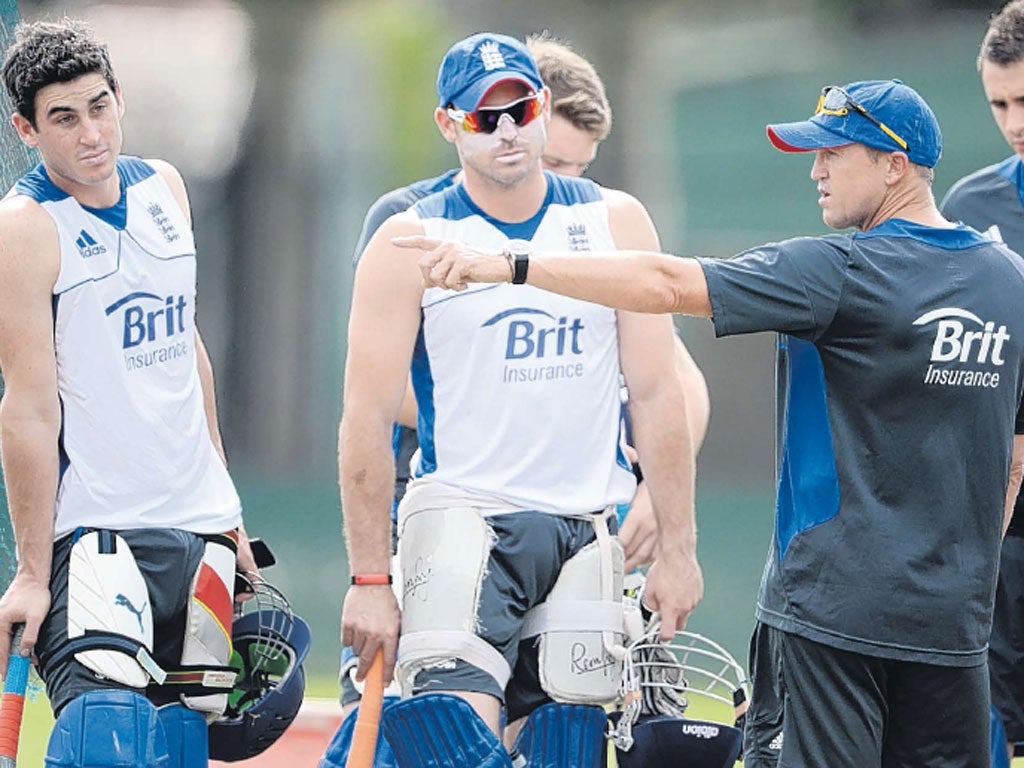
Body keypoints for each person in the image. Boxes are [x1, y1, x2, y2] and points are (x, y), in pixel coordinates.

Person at [408, 78, 1024, 768]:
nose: (815, 170)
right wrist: (958, 577)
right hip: (953, 627)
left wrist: (510, 264)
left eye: (833, 153)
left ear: (893, 164)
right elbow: (1014, 458)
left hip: (830, 621)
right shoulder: (1011, 281)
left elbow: (666, 284)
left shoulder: (844, 270)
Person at [339, 31, 701, 766]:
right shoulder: (409, 239)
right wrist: (371, 581)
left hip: (584, 528)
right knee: (450, 739)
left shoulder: (615, 221)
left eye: (521, 108)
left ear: (542, 108)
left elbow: (664, 390)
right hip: (463, 520)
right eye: (484, 116)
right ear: (449, 124)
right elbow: (365, 422)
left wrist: (679, 548)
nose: (507, 130)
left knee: (568, 746)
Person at [0, 19, 258, 768]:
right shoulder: (24, 228)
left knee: (181, 751)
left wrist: (232, 517)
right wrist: (29, 573)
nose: (90, 133)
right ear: (26, 128)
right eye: (63, 117)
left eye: (99, 106)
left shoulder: (165, 187)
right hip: (96, 535)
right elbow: (26, 406)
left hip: (199, 532)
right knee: (106, 747)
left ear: (120, 99)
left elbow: (189, 359)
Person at [941, 3, 1024, 765]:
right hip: (998, 502)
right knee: (986, 708)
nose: (1014, 121)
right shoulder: (972, 209)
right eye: (1000, 103)